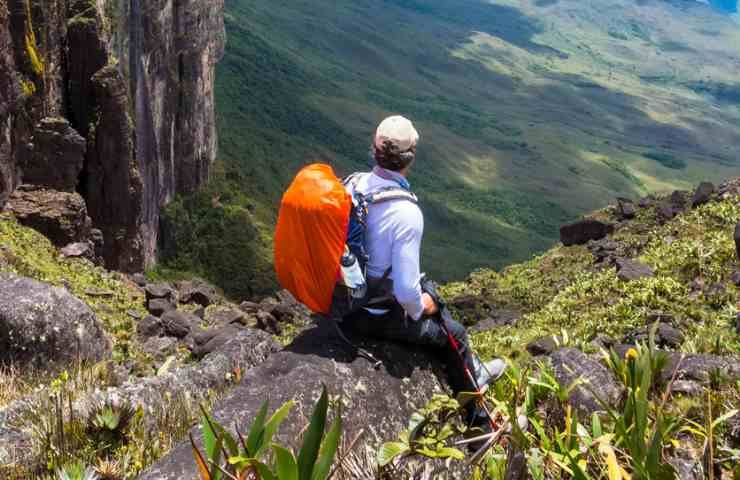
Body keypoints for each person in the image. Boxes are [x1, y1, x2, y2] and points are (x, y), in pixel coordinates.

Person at [342, 115, 506, 430]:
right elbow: (405, 294)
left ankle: (475, 372)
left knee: (434, 299)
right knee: (453, 333)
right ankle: (479, 423)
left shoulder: (353, 183)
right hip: (373, 313)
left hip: (344, 300)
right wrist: (423, 306)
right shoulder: (405, 212)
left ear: (374, 149)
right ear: (410, 158)